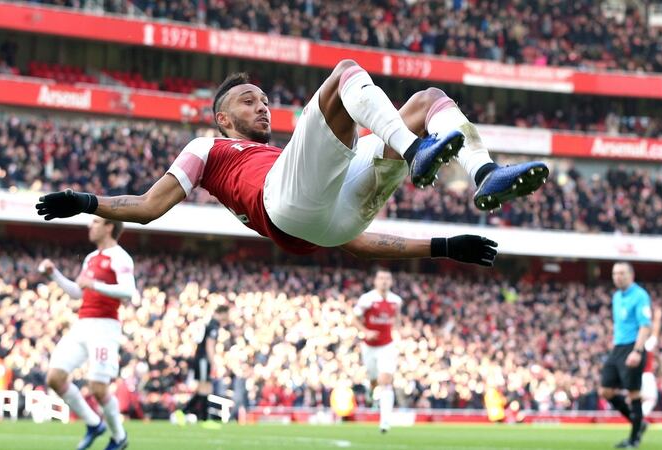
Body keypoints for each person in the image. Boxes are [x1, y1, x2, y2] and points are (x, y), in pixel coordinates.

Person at [36, 59, 549, 263]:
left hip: (324, 223)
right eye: (248, 100)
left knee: (426, 101)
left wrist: (440, 245)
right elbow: (149, 207)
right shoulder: (208, 149)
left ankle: (485, 173)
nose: (262, 106)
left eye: (264, 100)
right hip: (282, 206)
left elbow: (352, 239)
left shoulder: (289, 159)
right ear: (221, 118)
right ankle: (417, 153)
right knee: (346, 74)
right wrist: (86, 201)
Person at [39, 217, 136, 450]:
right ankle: (94, 423)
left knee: (98, 388)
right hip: (83, 324)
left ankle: (119, 437)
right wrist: (54, 274)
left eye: (95, 222)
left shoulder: (120, 257)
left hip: (105, 327)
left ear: (109, 226)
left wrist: (95, 285)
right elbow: (77, 291)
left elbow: (128, 291)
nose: (89, 226)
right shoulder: (92, 259)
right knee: (54, 377)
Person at [599, 262, 652, 449]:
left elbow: (645, 325)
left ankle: (633, 440)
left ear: (631, 275)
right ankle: (639, 423)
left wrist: (637, 351)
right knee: (605, 390)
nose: (617, 277)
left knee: (633, 393)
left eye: (621, 273)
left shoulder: (640, 296)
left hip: (632, 347)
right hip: (618, 348)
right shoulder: (616, 297)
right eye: (615, 273)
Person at [353, 268, 402, 433]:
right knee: (374, 380)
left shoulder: (396, 300)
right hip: (369, 347)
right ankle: (370, 391)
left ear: (391, 281)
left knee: (386, 380)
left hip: (387, 345)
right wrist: (366, 332)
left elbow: (397, 318)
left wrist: (398, 331)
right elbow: (353, 318)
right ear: (375, 281)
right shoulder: (367, 299)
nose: (384, 281)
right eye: (381, 278)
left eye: (387, 278)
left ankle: (385, 422)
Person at [182, 305, 229, 422]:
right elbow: (209, 345)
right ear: (222, 313)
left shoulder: (209, 323)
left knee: (205, 389)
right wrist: (213, 362)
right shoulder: (214, 325)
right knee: (205, 388)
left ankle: (186, 413)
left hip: (201, 358)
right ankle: (200, 418)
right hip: (203, 359)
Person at [641, 307, 662, 416]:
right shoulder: (647, 345)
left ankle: (637, 417)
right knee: (651, 399)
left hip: (635, 376)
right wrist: (657, 318)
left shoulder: (631, 346)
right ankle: (638, 419)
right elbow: (655, 332)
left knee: (640, 399)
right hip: (646, 375)